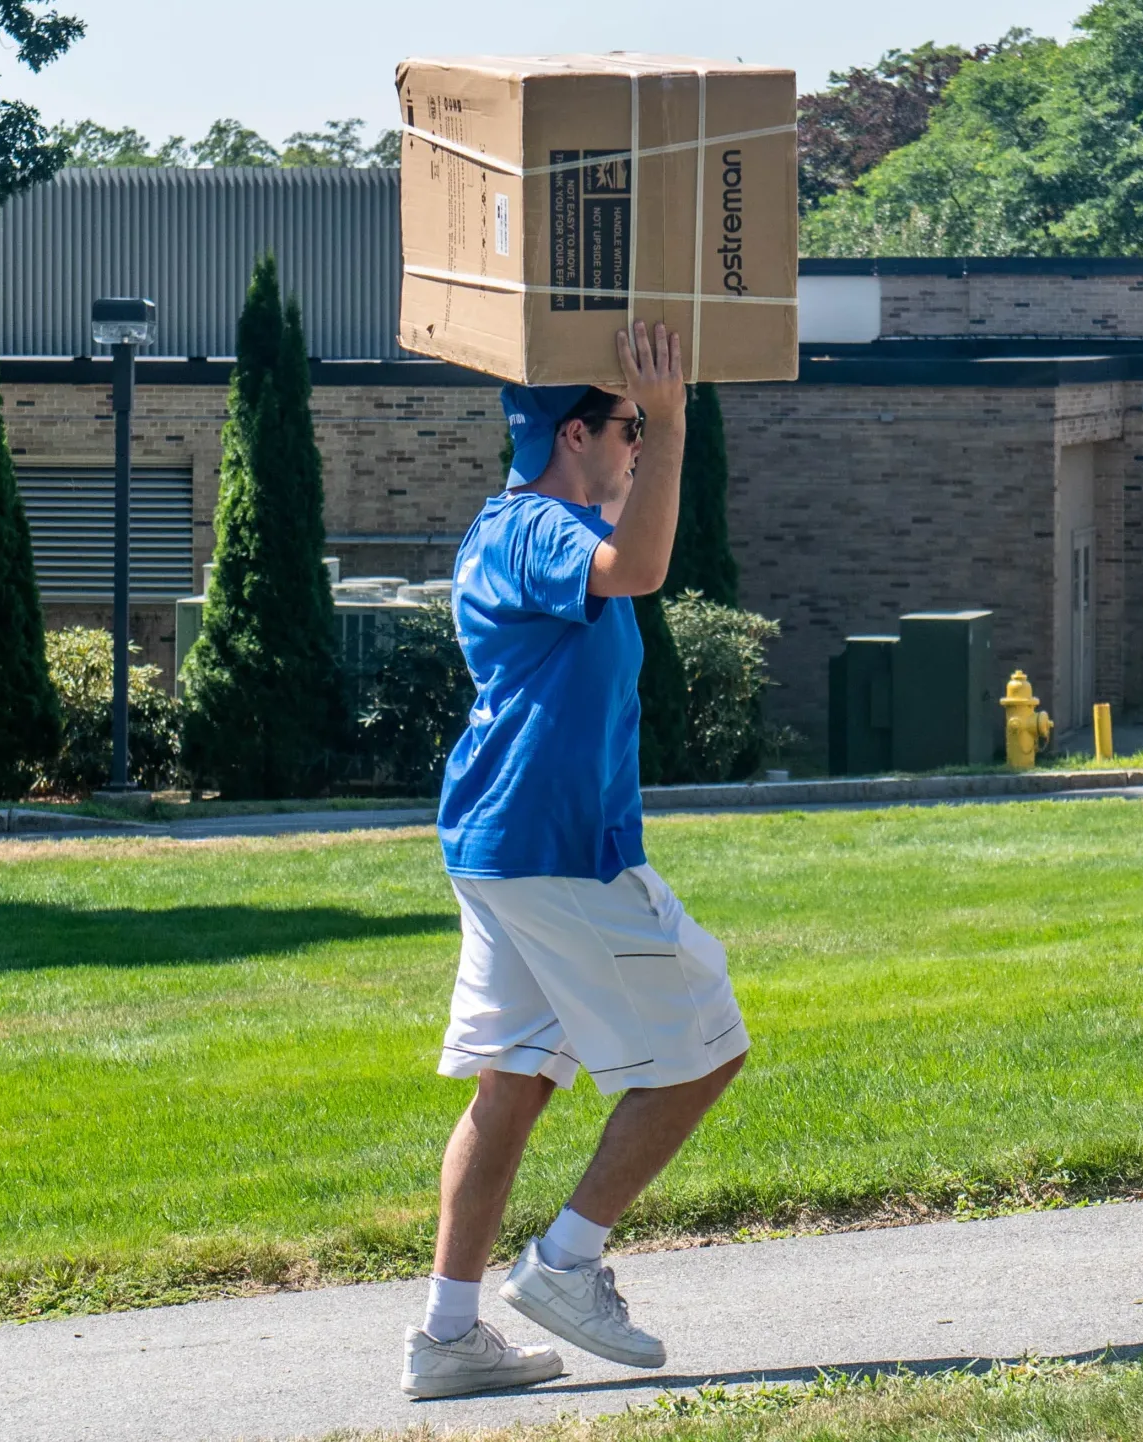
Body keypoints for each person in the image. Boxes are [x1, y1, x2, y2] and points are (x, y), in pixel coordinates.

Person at [400, 322, 751, 1399]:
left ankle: (447, 1336)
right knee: (705, 1047)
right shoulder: (537, 527)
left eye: (646, 423)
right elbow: (638, 567)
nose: (640, 439)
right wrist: (683, 417)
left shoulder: (514, 529)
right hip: (557, 848)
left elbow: (625, 558)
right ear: (573, 432)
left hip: (507, 841)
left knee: (511, 1082)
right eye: (628, 422)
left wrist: (657, 419)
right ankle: (565, 1261)